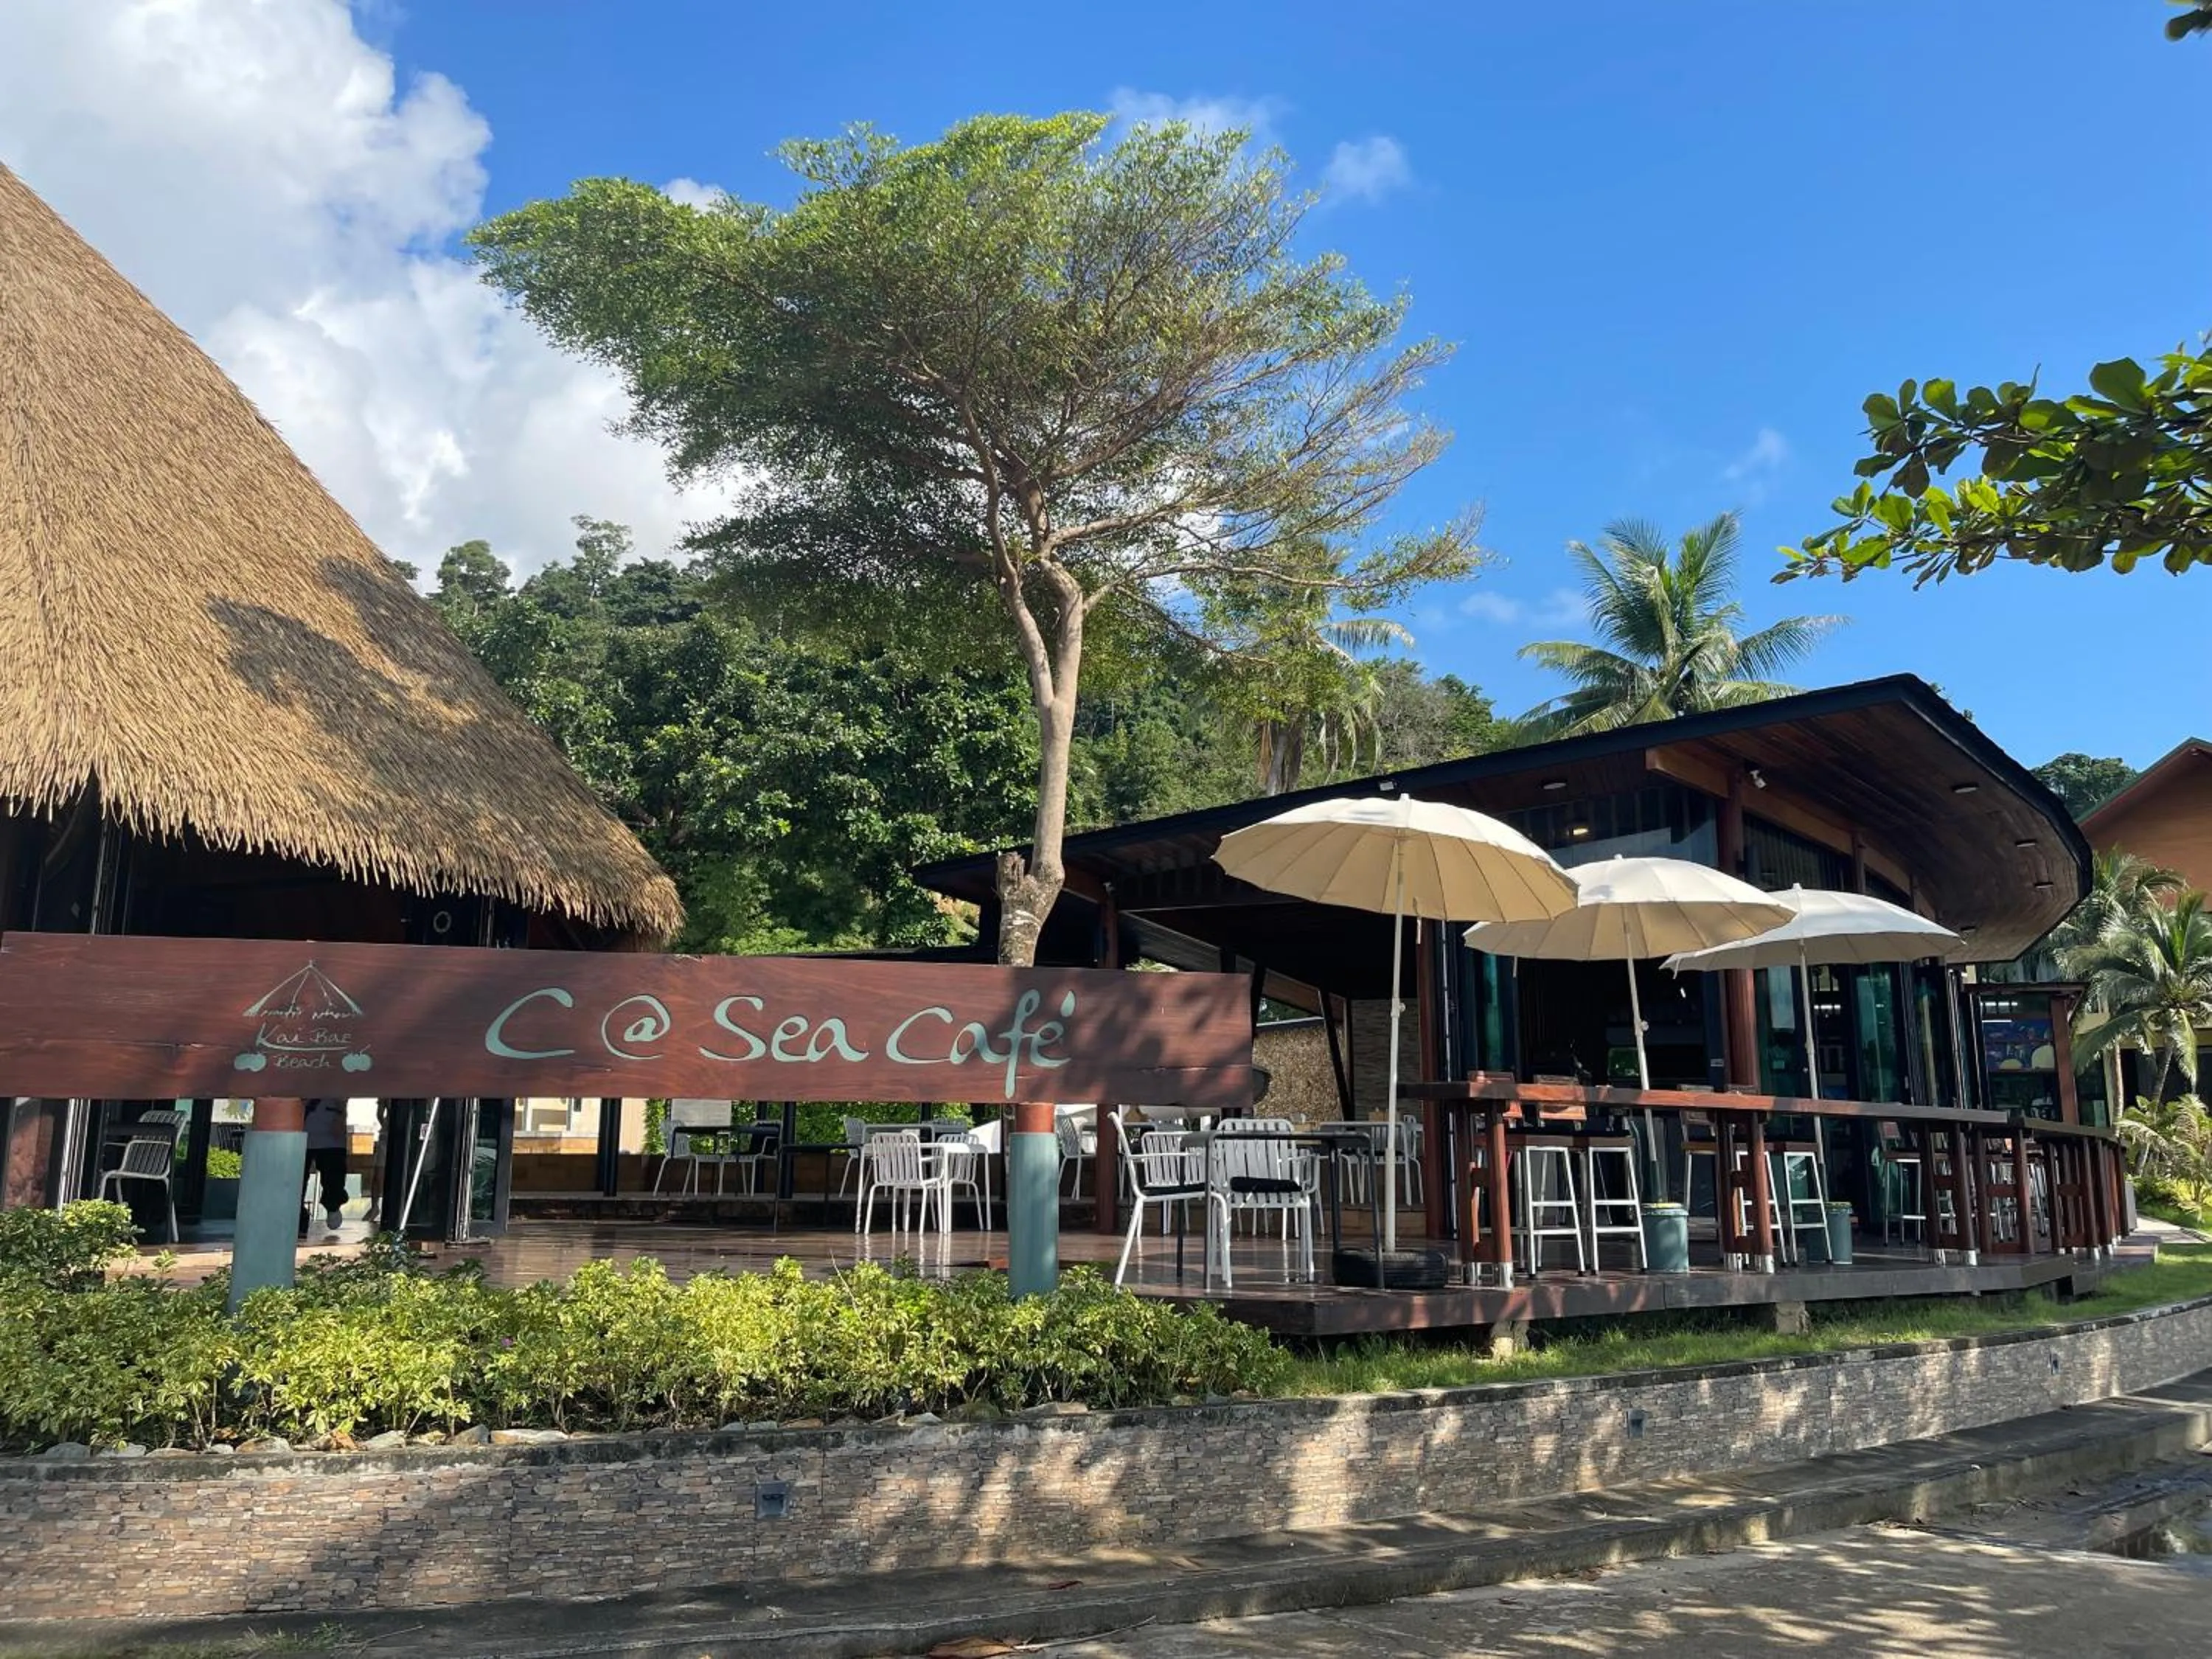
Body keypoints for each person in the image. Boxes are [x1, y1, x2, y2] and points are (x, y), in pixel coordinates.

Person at [301, 1097, 349, 1236]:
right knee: (296, 1182)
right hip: (302, 1133)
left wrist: (341, 1115)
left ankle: (333, 1206)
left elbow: (344, 1096)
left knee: (333, 1180)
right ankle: (299, 1220)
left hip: (332, 1136)